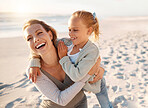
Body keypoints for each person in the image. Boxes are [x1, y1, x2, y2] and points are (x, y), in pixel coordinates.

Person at [29, 10, 113, 108]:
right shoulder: (66, 43)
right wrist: (34, 62)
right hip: (82, 82)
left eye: (75, 30)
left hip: (95, 81)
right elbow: (43, 46)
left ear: (89, 31)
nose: (71, 34)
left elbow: (79, 74)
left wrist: (64, 58)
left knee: (105, 104)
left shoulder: (91, 51)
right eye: (69, 29)